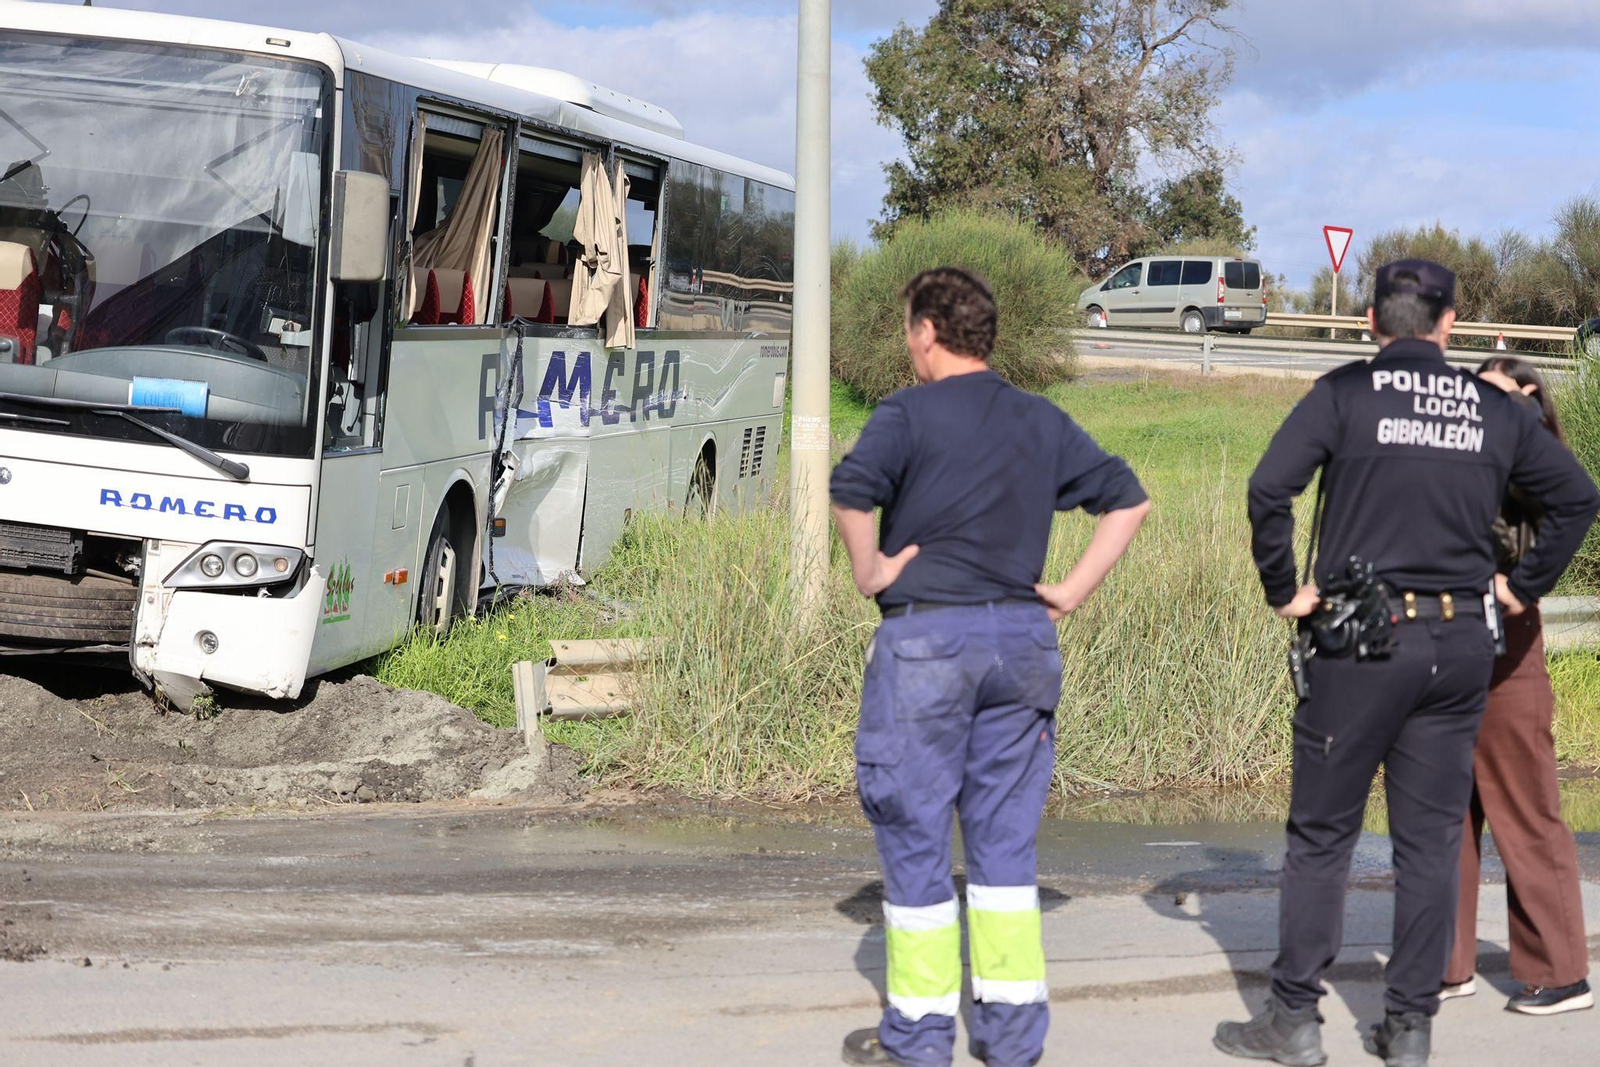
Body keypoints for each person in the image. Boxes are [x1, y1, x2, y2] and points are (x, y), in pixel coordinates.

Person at [1215, 260, 1600, 1067]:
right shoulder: (1492, 408)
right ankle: (1410, 1027)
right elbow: (1577, 496)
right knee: (1428, 840)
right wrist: (1522, 588)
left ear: (1369, 322)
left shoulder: (1344, 393)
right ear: (1450, 325)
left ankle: (1294, 1019)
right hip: (1462, 642)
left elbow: (1268, 489)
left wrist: (1287, 590)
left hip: (1359, 636)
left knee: (1323, 834)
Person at [829, 266, 1150, 1067]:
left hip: (927, 644)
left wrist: (870, 571)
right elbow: (1129, 499)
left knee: (914, 837)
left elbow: (850, 491)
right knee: (1005, 851)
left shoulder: (905, 413)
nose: (909, 345)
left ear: (928, 333)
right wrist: (1068, 590)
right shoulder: (1038, 419)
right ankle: (1010, 1040)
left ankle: (918, 1036)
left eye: (909, 329)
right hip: (1020, 644)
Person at [1441, 356, 1592, 1015]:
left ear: (1530, 397)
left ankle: (1561, 972)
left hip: (1507, 643)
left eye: (1498, 393)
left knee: (1524, 807)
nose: (1482, 403)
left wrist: (1521, 586)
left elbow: (1581, 501)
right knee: (1441, 808)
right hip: (1444, 641)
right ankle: (1445, 962)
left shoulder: (1533, 452)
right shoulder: (1466, 446)